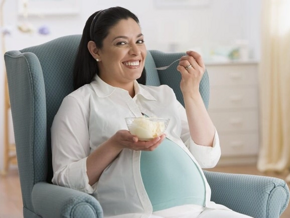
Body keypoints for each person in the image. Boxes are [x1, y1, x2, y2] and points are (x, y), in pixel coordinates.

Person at [51, 6, 252, 218]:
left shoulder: (163, 95)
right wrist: (115, 144)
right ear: (95, 51)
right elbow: (65, 179)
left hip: (202, 211)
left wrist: (191, 92)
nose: (136, 52)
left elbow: (206, 158)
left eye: (139, 41)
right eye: (121, 43)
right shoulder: (80, 103)